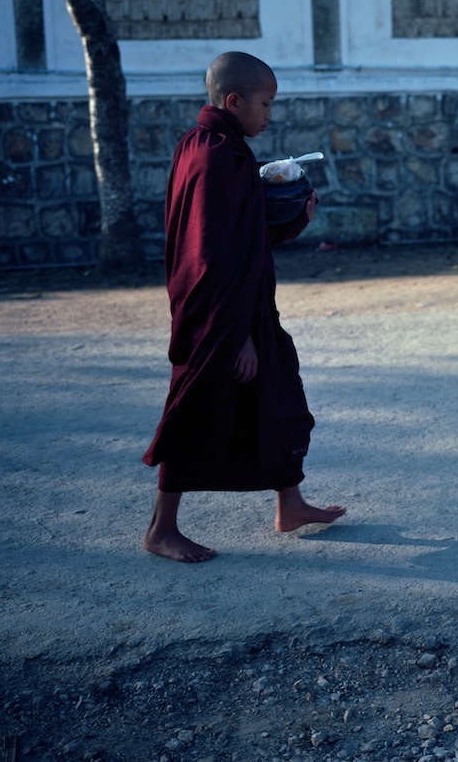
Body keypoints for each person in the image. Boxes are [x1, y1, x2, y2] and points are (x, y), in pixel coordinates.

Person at [143, 51, 345, 563]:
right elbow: (210, 253)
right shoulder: (217, 160)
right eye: (265, 103)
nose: (269, 114)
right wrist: (236, 337)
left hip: (244, 305)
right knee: (195, 410)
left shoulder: (209, 147)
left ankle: (291, 505)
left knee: (277, 397)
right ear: (233, 101)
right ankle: (161, 529)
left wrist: (295, 215)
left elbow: (246, 234)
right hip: (219, 312)